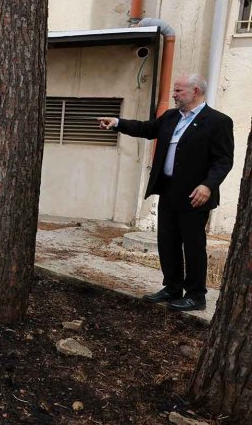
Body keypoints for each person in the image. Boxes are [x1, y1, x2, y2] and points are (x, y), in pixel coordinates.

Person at [97, 74, 234, 311]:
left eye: (179, 91)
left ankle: (196, 296)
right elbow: (146, 128)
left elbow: (223, 160)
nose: (174, 94)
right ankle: (172, 288)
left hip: (195, 195)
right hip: (168, 190)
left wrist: (208, 185)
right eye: (174, 91)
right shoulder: (171, 117)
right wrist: (118, 122)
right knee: (167, 242)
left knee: (192, 246)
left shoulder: (217, 121)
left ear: (195, 91)